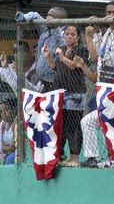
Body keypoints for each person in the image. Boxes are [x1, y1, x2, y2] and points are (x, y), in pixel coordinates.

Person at [77, 1, 114, 168]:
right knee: (87, 122)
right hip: (105, 86)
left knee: (111, 124)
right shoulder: (107, 33)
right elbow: (96, 57)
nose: (111, 16)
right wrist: (91, 35)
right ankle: (92, 157)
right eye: (108, 13)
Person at [43, 25, 89, 167]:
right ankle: (62, 155)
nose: (69, 36)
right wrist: (48, 57)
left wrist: (62, 57)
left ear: (78, 37)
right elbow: (56, 67)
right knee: (62, 125)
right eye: (67, 34)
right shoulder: (62, 49)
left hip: (74, 93)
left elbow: (74, 66)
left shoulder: (81, 49)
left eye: (72, 34)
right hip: (61, 93)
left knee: (73, 125)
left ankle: (75, 157)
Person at [16, 6, 68, 92]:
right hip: (41, 79)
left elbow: (60, 39)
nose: (47, 18)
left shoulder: (63, 36)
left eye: (51, 16)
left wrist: (54, 25)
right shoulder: (46, 31)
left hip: (54, 81)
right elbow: (35, 15)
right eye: (47, 15)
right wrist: (24, 17)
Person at [0, 100, 16, 165]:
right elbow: (0, 148)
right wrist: (6, 148)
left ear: (14, 110)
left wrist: (5, 147)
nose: (3, 113)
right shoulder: (1, 126)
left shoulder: (16, 122)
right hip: (6, 153)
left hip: (16, 153)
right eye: (1, 111)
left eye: (6, 110)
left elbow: (13, 147)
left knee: (10, 159)